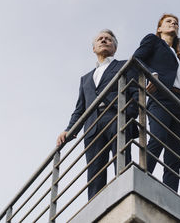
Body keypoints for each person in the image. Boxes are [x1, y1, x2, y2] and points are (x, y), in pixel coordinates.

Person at [57, 29, 138, 200]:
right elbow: (80, 109)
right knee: (94, 172)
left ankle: (125, 196)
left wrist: (128, 114)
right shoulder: (85, 79)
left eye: (108, 39)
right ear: (93, 48)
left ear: (114, 47)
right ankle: (96, 207)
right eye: (100, 39)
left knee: (122, 161)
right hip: (93, 126)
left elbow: (136, 94)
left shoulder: (125, 65)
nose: (104, 40)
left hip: (117, 117)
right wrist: (69, 129)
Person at [132, 14, 180, 192]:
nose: (173, 24)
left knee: (175, 155)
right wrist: (151, 73)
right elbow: (137, 59)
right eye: (168, 22)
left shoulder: (179, 58)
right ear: (159, 28)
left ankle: (170, 192)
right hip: (162, 97)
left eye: (176, 23)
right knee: (158, 139)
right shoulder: (153, 41)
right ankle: (141, 179)